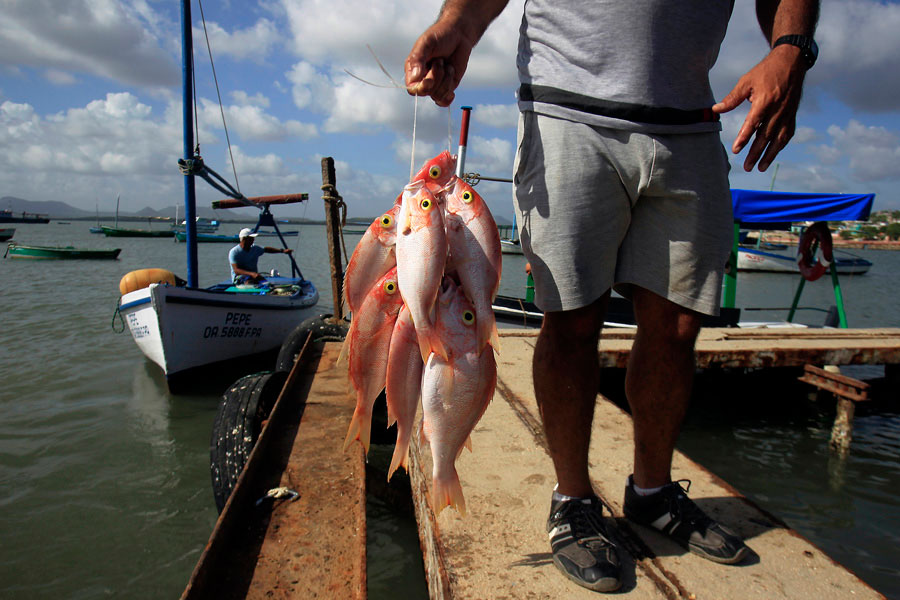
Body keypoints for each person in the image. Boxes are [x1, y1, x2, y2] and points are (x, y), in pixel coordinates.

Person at [406, 0, 819, 593]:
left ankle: (651, 492)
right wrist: (458, 25)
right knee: (571, 321)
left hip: (693, 122)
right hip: (566, 114)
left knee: (678, 327)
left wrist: (791, 50)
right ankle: (572, 501)